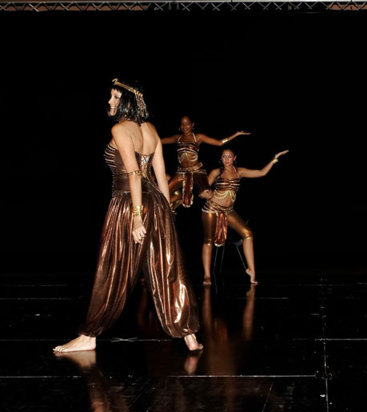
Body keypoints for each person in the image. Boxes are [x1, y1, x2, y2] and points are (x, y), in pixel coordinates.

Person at [54, 79, 202, 353]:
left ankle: (89, 336)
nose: (110, 101)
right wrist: (167, 212)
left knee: (113, 269)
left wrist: (136, 218)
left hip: (128, 203)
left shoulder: (120, 129)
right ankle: (188, 334)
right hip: (157, 203)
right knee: (167, 266)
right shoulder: (151, 129)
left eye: (115, 97)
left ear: (127, 102)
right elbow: (160, 175)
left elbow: (134, 175)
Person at [201, 148, 289, 286]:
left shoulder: (239, 171)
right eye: (224, 156)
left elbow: (261, 172)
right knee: (208, 241)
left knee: (248, 234)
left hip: (228, 211)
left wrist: (274, 159)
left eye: (229, 156)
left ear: (234, 158)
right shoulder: (216, 172)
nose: (227, 159)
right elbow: (202, 191)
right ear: (221, 158)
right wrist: (207, 194)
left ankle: (251, 271)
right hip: (211, 209)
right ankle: (207, 275)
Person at [161, 116, 250, 210]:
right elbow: (158, 141)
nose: (184, 126)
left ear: (192, 125)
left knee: (206, 191)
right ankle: (176, 200)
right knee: (164, 191)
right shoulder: (177, 138)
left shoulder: (198, 137)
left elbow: (219, 143)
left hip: (197, 170)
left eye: (187, 124)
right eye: (182, 124)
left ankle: (219, 209)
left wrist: (236, 134)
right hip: (181, 171)